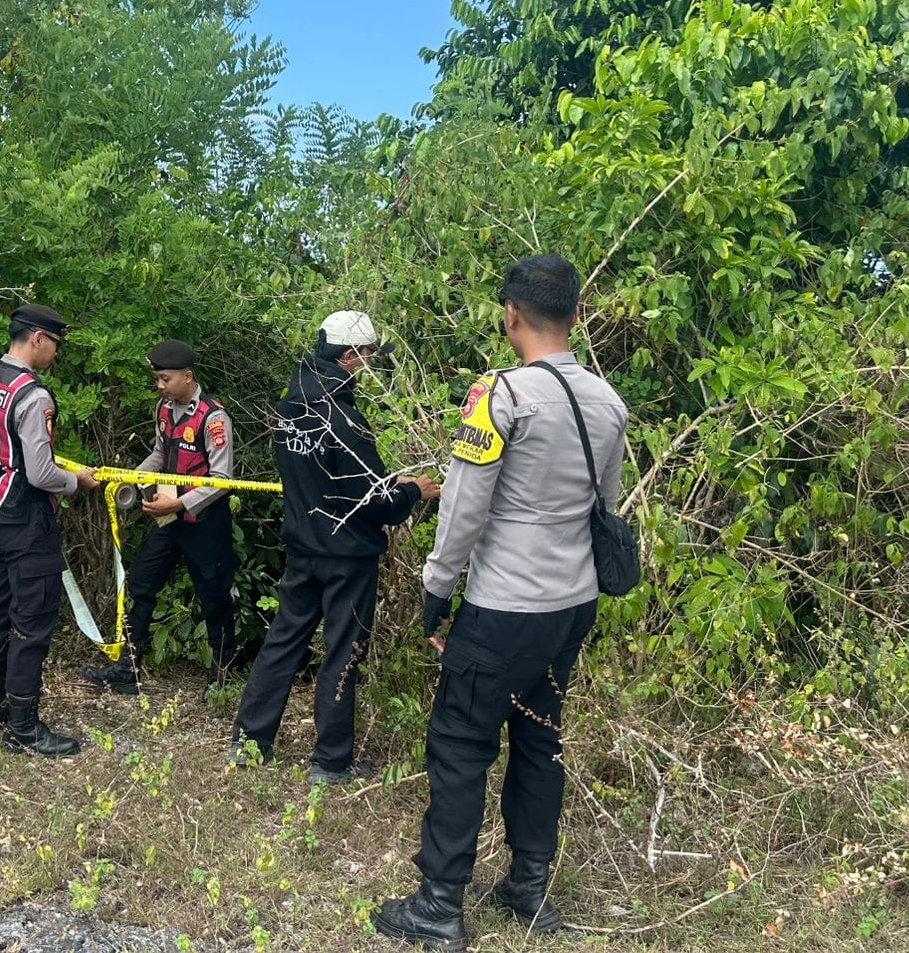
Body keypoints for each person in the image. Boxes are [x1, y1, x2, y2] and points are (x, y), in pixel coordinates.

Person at [376, 254, 629, 946]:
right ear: (575, 314)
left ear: (511, 314)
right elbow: (603, 507)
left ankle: (437, 907)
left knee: (460, 743)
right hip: (572, 605)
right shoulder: (608, 403)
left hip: (504, 605)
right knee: (540, 739)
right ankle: (527, 888)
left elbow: (464, 506)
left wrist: (436, 587)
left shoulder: (499, 395)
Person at [229, 310, 440, 785]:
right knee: (344, 651)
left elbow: (319, 480)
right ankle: (331, 762)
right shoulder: (342, 416)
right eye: (367, 356)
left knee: (283, 642)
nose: (369, 365)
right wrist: (413, 491)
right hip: (347, 555)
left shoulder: (290, 407)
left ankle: (248, 744)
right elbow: (376, 500)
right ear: (349, 355)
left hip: (303, 546)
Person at [0, 303, 99, 757]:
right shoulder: (34, 396)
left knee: (0, 608)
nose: (55, 353)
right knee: (32, 617)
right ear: (37, 338)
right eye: (55, 344)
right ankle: (23, 727)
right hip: (27, 516)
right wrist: (78, 482)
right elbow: (42, 474)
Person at [82, 339, 238, 694]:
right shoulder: (164, 409)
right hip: (168, 520)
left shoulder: (213, 418)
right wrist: (130, 477)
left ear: (188, 376)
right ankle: (128, 670)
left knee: (214, 596)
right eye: (157, 379)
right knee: (140, 584)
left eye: (165, 379)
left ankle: (222, 676)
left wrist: (179, 504)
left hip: (204, 521)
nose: (160, 386)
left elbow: (223, 480)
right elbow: (159, 453)